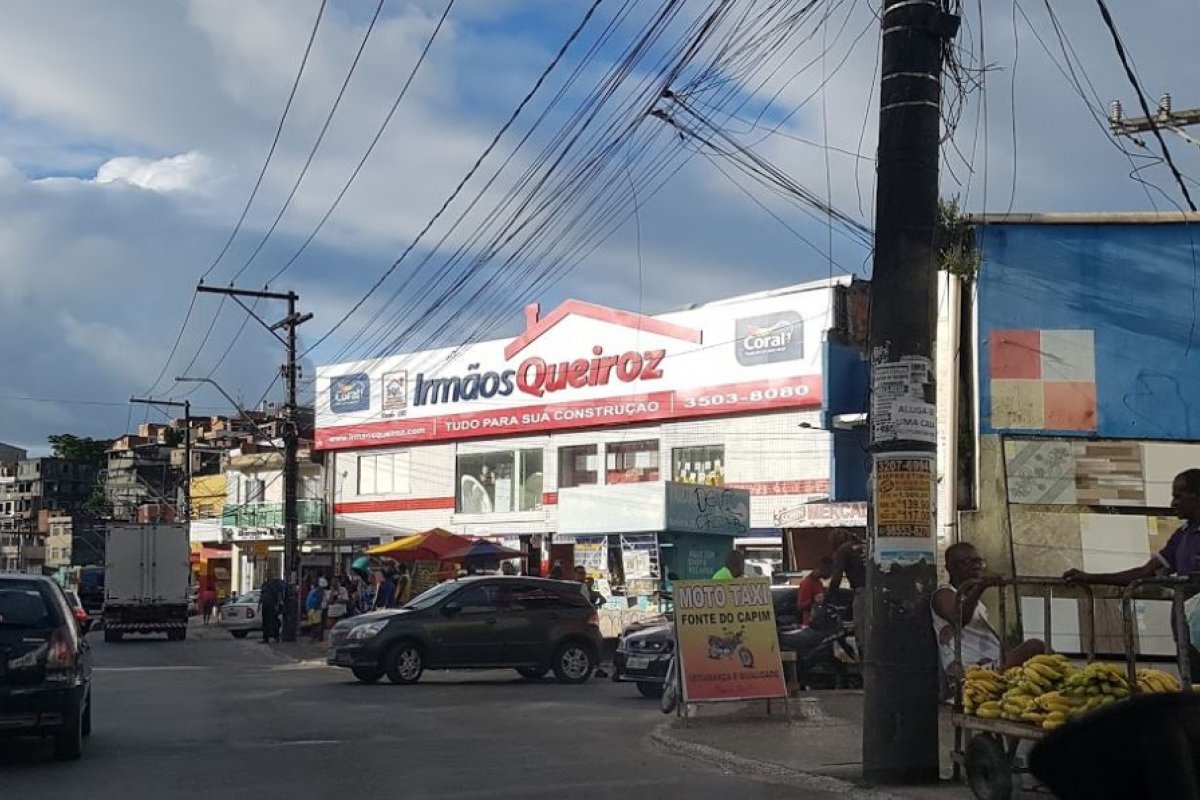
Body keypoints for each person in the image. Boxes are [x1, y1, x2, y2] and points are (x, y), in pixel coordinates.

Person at [1063, 468, 1200, 676]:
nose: (1173, 503)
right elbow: (1144, 573)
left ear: (1196, 497)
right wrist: (1088, 577)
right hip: (1188, 630)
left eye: (1178, 496)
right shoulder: (1181, 537)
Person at [932, 543, 1045, 676]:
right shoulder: (944, 593)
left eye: (978, 561)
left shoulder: (976, 602)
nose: (976, 566)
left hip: (993, 661)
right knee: (1034, 646)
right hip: (972, 670)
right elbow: (958, 618)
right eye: (967, 562)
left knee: (1045, 658)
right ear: (950, 568)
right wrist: (980, 587)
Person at [798, 558, 833, 627]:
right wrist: (813, 600)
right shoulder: (806, 583)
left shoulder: (819, 583)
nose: (830, 574)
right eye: (829, 571)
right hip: (809, 624)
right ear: (821, 569)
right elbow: (800, 606)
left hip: (818, 622)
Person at [260, 576, 282, 643]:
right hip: (265, 606)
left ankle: (276, 637)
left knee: (274, 622)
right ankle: (265, 638)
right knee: (265, 623)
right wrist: (260, 604)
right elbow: (261, 595)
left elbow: (278, 595)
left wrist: (277, 605)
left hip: (272, 606)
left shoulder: (275, 585)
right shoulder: (264, 585)